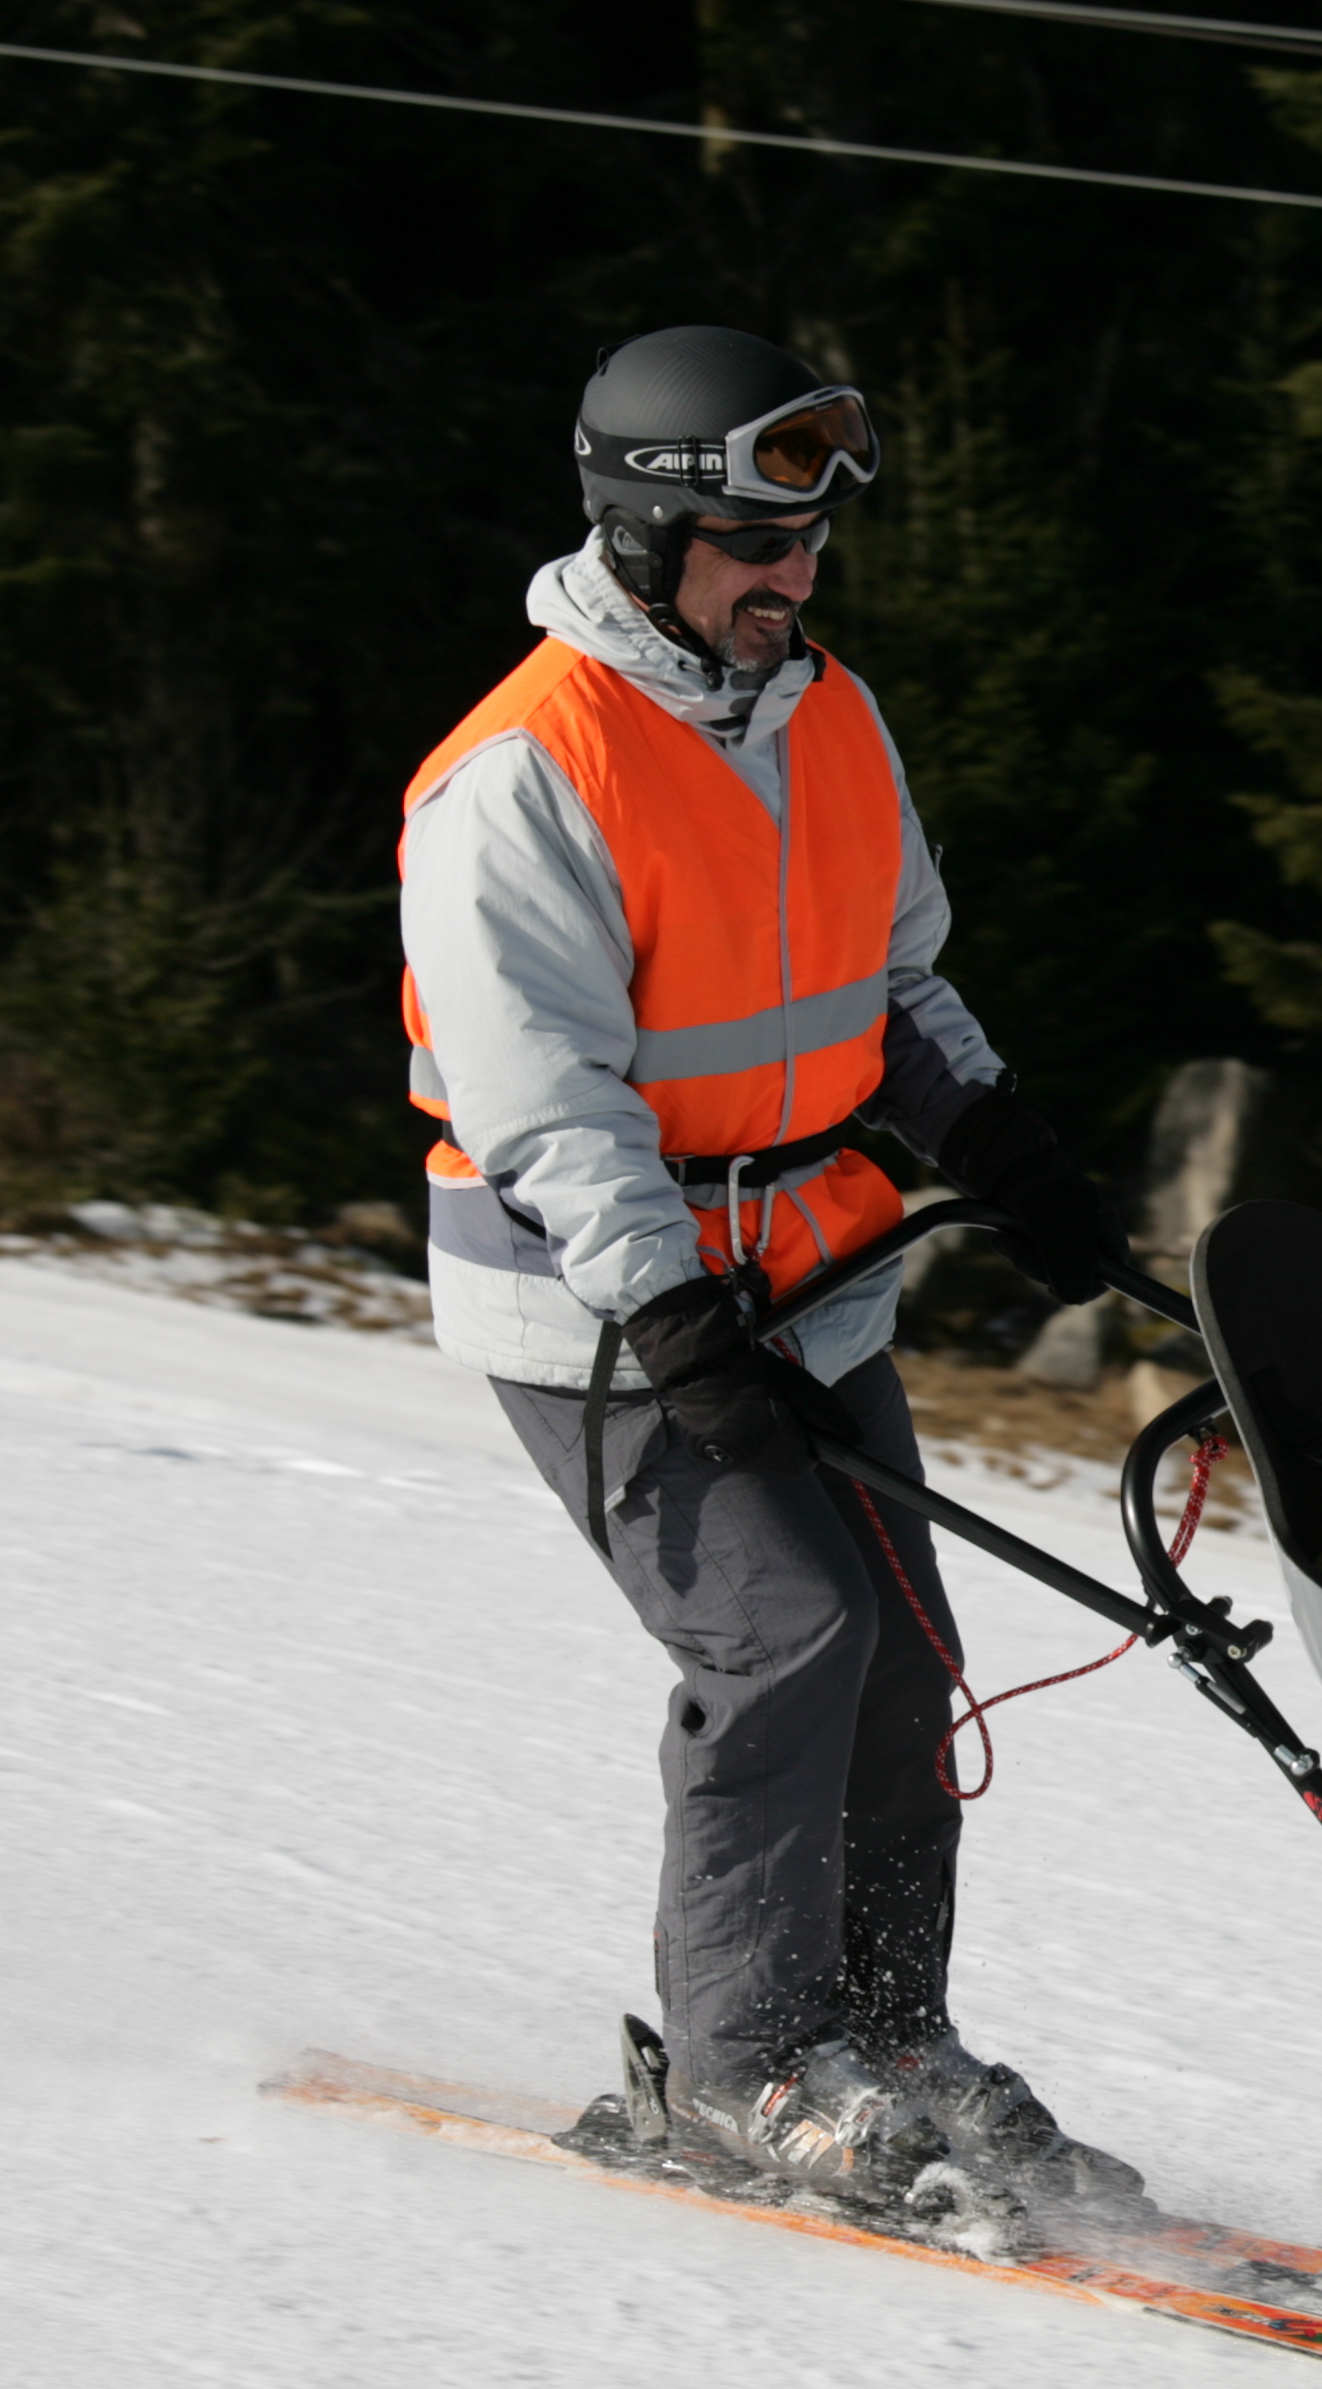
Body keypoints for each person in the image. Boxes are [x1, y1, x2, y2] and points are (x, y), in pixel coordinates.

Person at [395, 325, 1140, 2211]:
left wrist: (1006, 1148)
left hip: (803, 1270)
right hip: (601, 1299)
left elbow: (890, 986)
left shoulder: (825, 710)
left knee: (902, 1650)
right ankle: (739, 2069)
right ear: (648, 540)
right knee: (782, 1638)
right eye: (753, 545)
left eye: (806, 548)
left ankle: (887, 2032)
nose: (794, 581)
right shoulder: (518, 778)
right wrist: (665, 1313)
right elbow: (549, 1108)